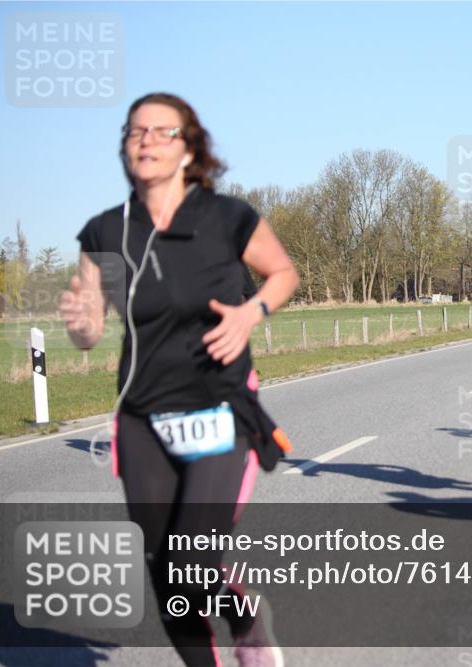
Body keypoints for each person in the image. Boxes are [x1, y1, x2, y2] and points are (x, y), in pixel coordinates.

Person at [60, 92, 299, 666]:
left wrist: (249, 314)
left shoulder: (227, 217)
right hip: (142, 418)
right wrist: (80, 322)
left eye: (162, 131)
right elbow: (89, 331)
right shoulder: (104, 232)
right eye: (135, 131)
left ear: (189, 148)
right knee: (167, 575)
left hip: (218, 408)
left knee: (190, 558)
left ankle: (243, 617)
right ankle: (230, 623)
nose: (146, 140)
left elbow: (283, 273)